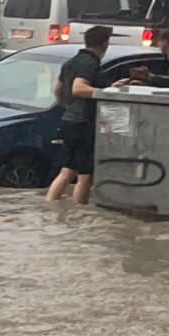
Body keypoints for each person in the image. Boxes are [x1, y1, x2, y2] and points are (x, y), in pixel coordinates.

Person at [47, 25, 112, 206]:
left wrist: (68, 106)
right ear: (105, 43)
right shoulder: (90, 63)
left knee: (67, 171)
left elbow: (58, 90)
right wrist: (107, 93)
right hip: (84, 124)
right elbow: (78, 88)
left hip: (69, 121)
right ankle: (78, 213)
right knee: (85, 175)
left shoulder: (71, 62)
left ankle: (51, 206)